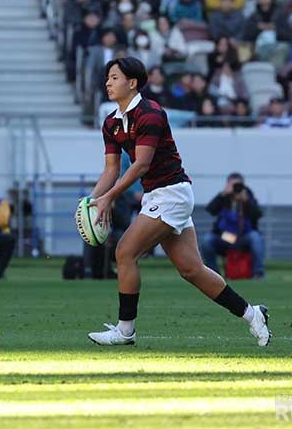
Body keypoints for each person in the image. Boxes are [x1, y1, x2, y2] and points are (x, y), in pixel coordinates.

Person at [87, 57, 271, 346]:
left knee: (124, 253)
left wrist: (109, 197)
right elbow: (111, 170)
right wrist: (93, 200)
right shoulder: (110, 123)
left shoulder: (150, 114)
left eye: (114, 77)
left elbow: (141, 165)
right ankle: (253, 314)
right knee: (191, 270)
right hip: (158, 195)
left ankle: (125, 331)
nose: (107, 83)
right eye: (107, 78)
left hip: (172, 193)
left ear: (132, 83)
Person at [200, 173, 266, 279]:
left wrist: (246, 201)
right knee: (207, 240)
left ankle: (258, 273)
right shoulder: (224, 197)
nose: (236, 188)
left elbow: (258, 215)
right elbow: (210, 210)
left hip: (244, 237)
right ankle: (214, 275)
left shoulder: (248, 196)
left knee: (256, 238)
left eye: (238, 185)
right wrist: (222, 195)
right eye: (233, 185)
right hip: (226, 237)